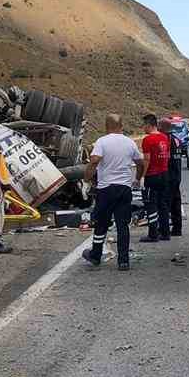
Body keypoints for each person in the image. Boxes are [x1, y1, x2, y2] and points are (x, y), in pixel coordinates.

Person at [83, 114, 144, 271]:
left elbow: (95, 160)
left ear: (106, 126)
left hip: (106, 189)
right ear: (121, 126)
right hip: (124, 189)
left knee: (101, 224)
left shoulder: (102, 142)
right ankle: (123, 261)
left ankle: (95, 256)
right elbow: (140, 162)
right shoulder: (130, 142)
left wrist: (87, 177)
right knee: (123, 225)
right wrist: (137, 178)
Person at [140, 113, 172, 242]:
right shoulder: (165, 137)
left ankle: (153, 233)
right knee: (162, 203)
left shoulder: (147, 140)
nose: (143, 128)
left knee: (151, 204)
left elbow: (147, 159)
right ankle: (165, 232)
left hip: (152, 175)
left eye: (144, 125)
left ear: (149, 124)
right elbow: (167, 155)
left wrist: (142, 176)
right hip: (164, 174)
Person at [159, 118, 184, 237]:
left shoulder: (166, 140)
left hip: (168, 176)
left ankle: (164, 231)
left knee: (165, 204)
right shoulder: (177, 140)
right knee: (176, 202)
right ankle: (177, 228)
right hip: (177, 175)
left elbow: (164, 158)